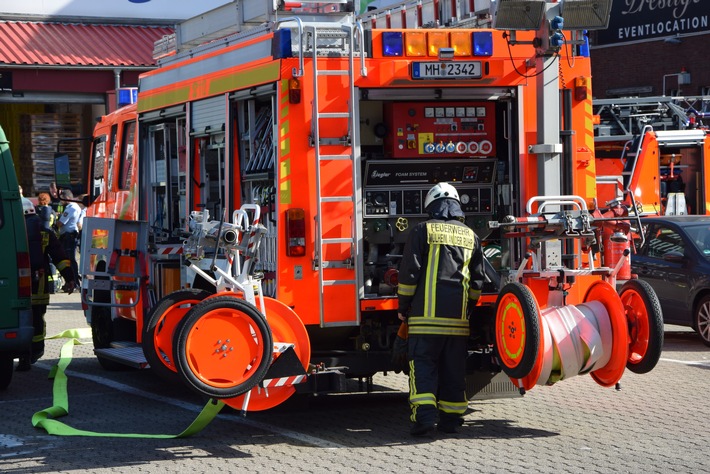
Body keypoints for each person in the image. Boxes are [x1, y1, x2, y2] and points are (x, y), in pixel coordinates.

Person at [397, 182, 484, 436]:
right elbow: (477, 281)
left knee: (423, 367)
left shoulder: (421, 231)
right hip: (458, 323)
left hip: (425, 321)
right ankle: (452, 420)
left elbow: (409, 274)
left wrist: (404, 307)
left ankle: (423, 418)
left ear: (431, 205)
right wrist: (468, 309)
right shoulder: (471, 236)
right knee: (453, 370)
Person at [18, 198, 75, 371]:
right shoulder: (45, 232)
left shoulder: (11, 232)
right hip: (39, 286)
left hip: (17, 287)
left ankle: (23, 355)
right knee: (37, 319)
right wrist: (70, 278)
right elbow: (60, 257)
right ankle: (35, 352)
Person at [56, 189, 81, 289]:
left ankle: (73, 282)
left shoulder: (70, 208)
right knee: (70, 260)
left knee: (69, 260)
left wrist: (57, 220)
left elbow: (60, 223)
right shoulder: (75, 206)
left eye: (62, 199)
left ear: (66, 198)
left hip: (68, 237)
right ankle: (72, 282)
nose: (61, 201)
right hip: (70, 236)